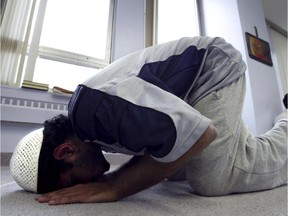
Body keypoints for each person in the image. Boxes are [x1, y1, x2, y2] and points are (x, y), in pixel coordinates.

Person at [10, 36, 287, 205]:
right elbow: (164, 148)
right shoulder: (92, 124)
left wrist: (113, 187)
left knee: (212, 181)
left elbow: (200, 134)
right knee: (175, 170)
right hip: (188, 92)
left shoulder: (95, 112)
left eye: (73, 183)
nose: (84, 186)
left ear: (66, 151)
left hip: (212, 68)